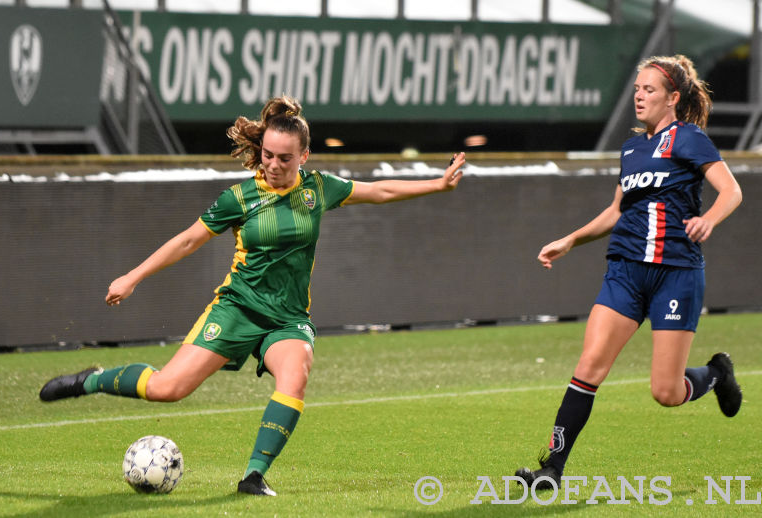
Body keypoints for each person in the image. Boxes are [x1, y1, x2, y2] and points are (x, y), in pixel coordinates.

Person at [40, 95, 466, 496]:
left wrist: (438, 184)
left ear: (304, 156)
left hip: (287, 319)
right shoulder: (239, 198)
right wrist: (133, 276)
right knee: (167, 389)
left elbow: (380, 191)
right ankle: (93, 379)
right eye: (267, 155)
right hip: (237, 310)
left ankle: (253, 476)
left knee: (295, 374)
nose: (274, 165)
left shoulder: (319, 189)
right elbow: (188, 241)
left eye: (284, 157)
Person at [515, 55, 743, 489]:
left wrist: (709, 219)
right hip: (625, 272)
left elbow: (731, 190)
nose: (639, 96)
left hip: (675, 274)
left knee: (666, 392)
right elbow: (616, 212)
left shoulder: (689, 138)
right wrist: (571, 239)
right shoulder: (632, 148)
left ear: (673, 98)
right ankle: (551, 469)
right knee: (589, 367)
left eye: (649, 90)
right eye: (637, 88)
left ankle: (716, 373)